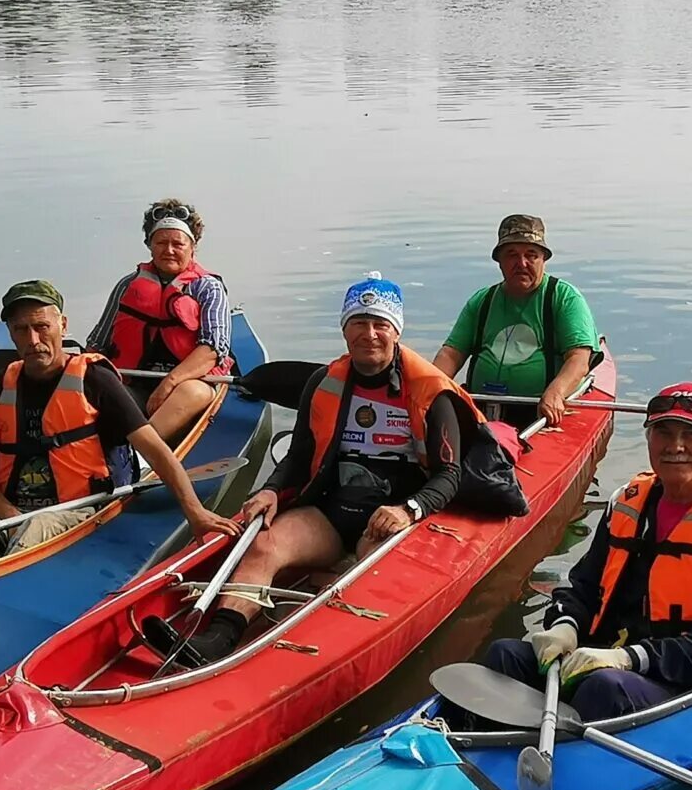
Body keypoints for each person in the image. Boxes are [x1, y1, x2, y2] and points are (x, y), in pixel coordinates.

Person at [166, 274, 478, 667]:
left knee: (367, 569)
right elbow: (298, 458)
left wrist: (408, 510)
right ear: (345, 330)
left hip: (393, 518)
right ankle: (219, 638)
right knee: (265, 543)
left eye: (380, 324)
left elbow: (449, 475)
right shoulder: (323, 382)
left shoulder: (431, 390)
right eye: (359, 323)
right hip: (334, 512)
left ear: (396, 331)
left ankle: (308, 654)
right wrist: (270, 491)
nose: (370, 334)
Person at [468, 382, 692, 720]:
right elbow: (584, 586)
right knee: (503, 656)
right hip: (604, 656)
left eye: (691, 434)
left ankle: (566, 757)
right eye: (664, 433)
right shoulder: (625, 503)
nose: (676, 446)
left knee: (604, 689)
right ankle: (481, 746)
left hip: (680, 677)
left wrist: (630, 658)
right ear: (649, 440)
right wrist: (566, 625)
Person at [0, 279, 237, 569]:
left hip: (78, 511)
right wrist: (11, 516)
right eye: (21, 330)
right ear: (10, 333)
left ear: (63, 325)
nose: (33, 340)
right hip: (11, 513)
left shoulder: (95, 380)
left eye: (42, 327)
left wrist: (195, 513)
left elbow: (157, 453)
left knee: (37, 526)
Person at [82, 199, 235, 445]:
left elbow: (213, 350)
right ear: (150, 246)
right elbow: (97, 345)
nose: (169, 250)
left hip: (191, 384)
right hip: (133, 381)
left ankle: (139, 457)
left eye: (178, 244)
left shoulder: (208, 288)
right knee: (94, 391)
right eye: (161, 243)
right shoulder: (127, 285)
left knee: (189, 392)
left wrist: (169, 383)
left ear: (192, 247)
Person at [432, 214, 599, 427]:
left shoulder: (565, 298)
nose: (522, 263)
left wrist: (556, 393)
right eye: (512, 255)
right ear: (499, 261)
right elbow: (451, 354)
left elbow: (579, 359)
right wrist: (429, 388)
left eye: (531, 255)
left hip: (540, 412)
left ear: (543, 260)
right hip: (482, 406)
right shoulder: (481, 300)